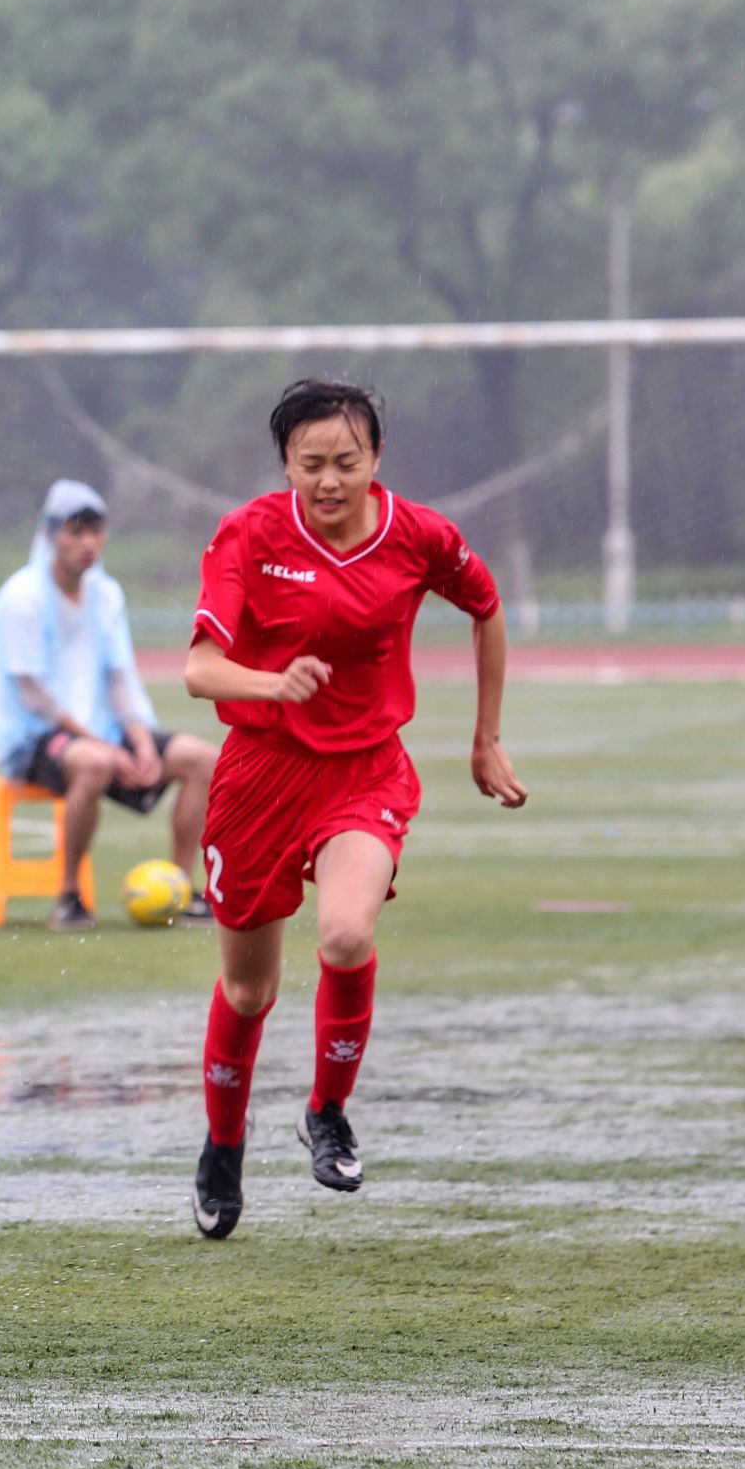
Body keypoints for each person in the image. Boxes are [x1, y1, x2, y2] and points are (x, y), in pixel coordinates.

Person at [182, 379, 528, 1239]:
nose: (329, 480)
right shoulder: (251, 536)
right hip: (260, 776)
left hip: (364, 773)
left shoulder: (418, 536)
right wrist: (272, 681)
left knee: (345, 933)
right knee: (249, 989)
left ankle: (326, 1112)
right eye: (311, 465)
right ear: (286, 466)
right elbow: (199, 670)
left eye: (346, 461)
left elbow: (485, 607)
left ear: (376, 459)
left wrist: (485, 739)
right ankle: (223, 1147)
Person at [0, 479, 218, 930]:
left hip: (104, 731)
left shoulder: (106, 594)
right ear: (50, 534)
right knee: (93, 763)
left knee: (202, 759)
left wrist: (139, 741)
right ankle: (70, 897)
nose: (87, 543)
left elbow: (119, 678)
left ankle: (180, 889)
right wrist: (109, 750)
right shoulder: (21, 598)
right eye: (75, 531)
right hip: (34, 738)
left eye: (95, 531)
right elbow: (35, 697)